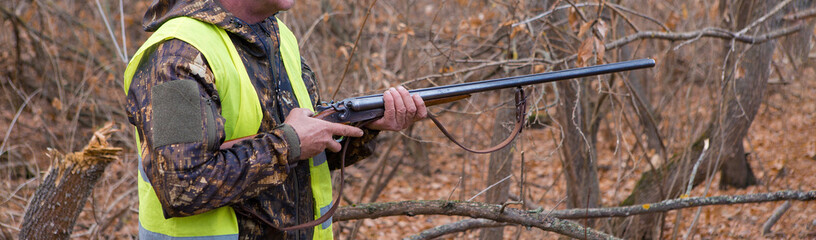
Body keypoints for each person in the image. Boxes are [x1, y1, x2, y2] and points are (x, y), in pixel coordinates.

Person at [123, 0, 426, 239]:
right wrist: (289, 143)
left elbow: (306, 148)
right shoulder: (177, 53)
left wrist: (368, 125)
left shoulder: (278, 37)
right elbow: (183, 186)